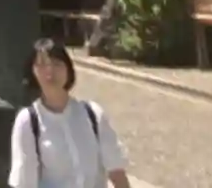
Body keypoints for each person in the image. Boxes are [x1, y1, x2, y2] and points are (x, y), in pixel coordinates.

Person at [9, 38, 132, 188]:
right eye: (42, 64)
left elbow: (117, 172)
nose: (50, 71)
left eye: (56, 63)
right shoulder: (28, 122)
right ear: (32, 72)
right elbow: (24, 183)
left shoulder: (92, 114)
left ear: (68, 69)